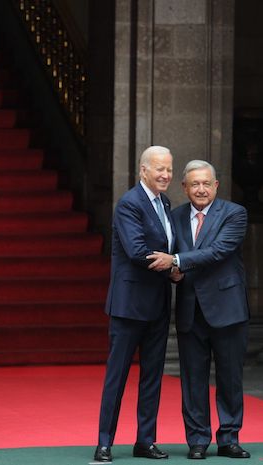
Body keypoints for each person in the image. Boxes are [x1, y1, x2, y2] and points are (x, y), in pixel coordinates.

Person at [147, 160, 251, 460]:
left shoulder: (234, 213)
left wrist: (176, 262)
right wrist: (171, 271)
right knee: (193, 379)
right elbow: (165, 259)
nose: (201, 189)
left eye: (207, 183)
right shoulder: (173, 217)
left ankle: (229, 438)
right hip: (190, 309)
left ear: (216, 185)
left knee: (230, 377)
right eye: (195, 184)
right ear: (185, 188)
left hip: (228, 309)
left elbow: (219, 251)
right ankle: (197, 440)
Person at [94, 146, 176, 462]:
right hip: (128, 306)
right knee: (117, 376)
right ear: (143, 170)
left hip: (157, 305)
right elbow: (137, 251)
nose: (166, 174)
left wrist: (176, 263)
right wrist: (175, 264)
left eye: (169, 169)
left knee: (153, 376)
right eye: (159, 169)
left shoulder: (165, 203)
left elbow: (167, 246)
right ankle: (104, 443)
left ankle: (146, 440)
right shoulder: (129, 203)